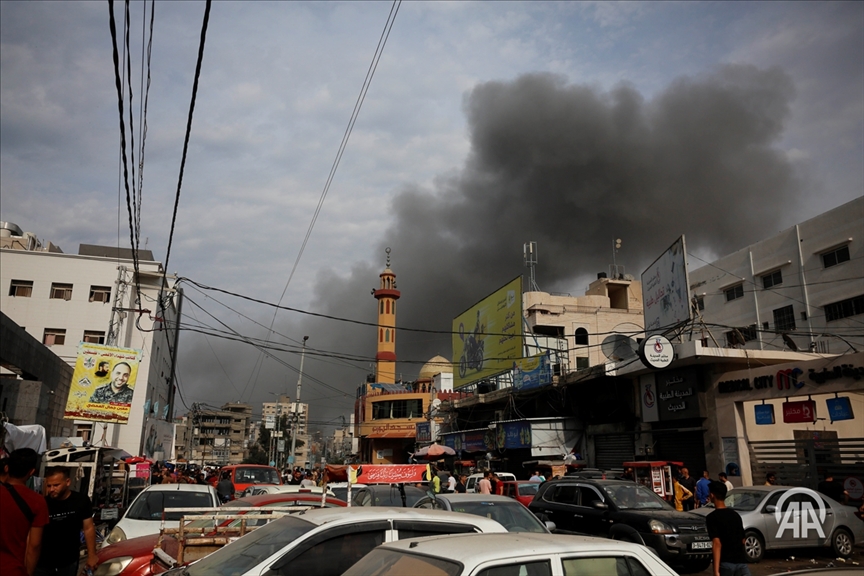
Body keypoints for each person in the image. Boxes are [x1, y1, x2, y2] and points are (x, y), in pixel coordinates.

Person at [35, 467, 98, 576]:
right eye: (49, 486)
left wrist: (92, 555)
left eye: (56, 485)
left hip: (69, 561)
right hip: (43, 563)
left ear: (67, 482)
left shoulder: (81, 501)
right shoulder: (43, 503)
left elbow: (88, 528)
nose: (51, 489)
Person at [1, 448, 49, 576]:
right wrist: (27, 572)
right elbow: (34, 546)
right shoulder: (37, 502)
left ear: (7, 468)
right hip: (13, 570)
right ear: (31, 472)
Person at [706, 481, 751, 576]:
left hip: (725, 563)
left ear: (712, 495)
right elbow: (743, 540)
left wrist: (716, 571)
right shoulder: (735, 515)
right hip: (741, 563)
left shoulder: (712, 517)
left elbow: (716, 543)